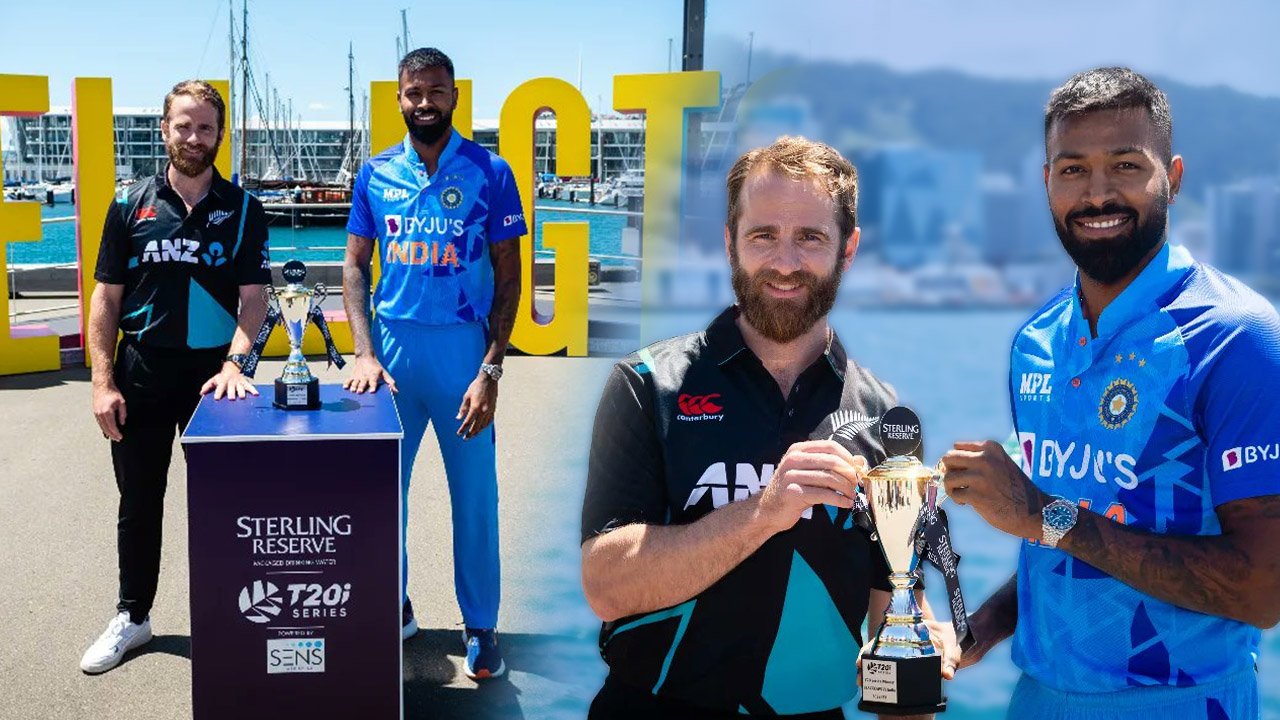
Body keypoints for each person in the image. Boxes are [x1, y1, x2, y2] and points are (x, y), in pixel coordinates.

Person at [580, 136, 958, 718]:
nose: (785, 263)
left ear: (848, 248)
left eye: (810, 237)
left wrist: (922, 661)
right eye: (764, 236)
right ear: (730, 242)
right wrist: (763, 511)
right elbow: (605, 586)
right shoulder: (647, 385)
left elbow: (893, 611)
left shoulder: (884, 417)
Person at [942, 67, 1280, 718]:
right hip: (1035, 700)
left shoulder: (1239, 341)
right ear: (1046, 184)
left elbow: (1263, 590)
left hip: (1180, 702)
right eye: (1072, 170)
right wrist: (987, 621)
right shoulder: (1037, 340)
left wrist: (1040, 513)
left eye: (1125, 166)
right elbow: (1078, 530)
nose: (1097, 194)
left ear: (1173, 179)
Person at [342, 47, 524, 680]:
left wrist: (491, 369)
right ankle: (392, 605)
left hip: (461, 354)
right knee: (379, 494)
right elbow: (356, 266)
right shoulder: (375, 173)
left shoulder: (489, 170)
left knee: (474, 498)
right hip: (391, 354)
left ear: (454, 96)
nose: (425, 102)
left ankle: (481, 626)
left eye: (436, 91)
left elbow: (509, 274)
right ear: (399, 99)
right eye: (413, 92)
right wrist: (363, 351)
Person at [80, 80, 271, 674]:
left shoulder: (243, 209)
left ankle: (235, 616)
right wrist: (102, 381)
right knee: (141, 501)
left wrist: (237, 365)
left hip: (215, 379)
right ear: (164, 130)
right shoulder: (126, 203)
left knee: (226, 503)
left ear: (221, 135)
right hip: (140, 373)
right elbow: (106, 299)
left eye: (206, 128)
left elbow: (255, 300)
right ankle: (133, 617)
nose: (194, 138)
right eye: (183, 126)